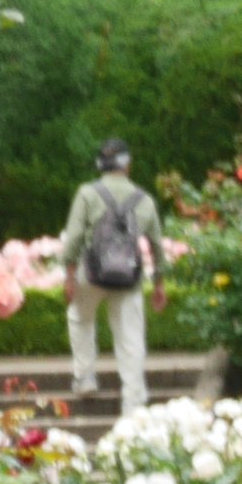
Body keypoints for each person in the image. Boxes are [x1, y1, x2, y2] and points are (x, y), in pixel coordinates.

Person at [59, 138, 160, 415]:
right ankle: (133, 401)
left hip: (91, 273)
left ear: (100, 165)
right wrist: (159, 283)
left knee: (80, 318)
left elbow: (75, 237)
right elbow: (157, 246)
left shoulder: (88, 194)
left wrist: (69, 275)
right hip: (129, 277)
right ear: (128, 165)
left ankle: (86, 377)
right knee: (130, 337)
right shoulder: (145, 199)